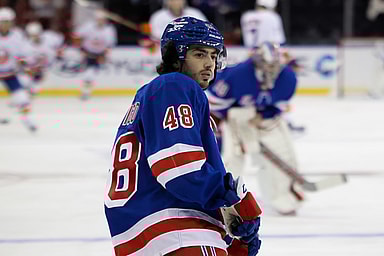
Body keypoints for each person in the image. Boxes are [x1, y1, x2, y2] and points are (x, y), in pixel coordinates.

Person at [104, 17, 262, 256]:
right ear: (174, 56)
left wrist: (228, 229)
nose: (209, 63)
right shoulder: (175, 86)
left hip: (147, 236)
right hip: (177, 230)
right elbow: (180, 170)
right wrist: (233, 198)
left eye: (213, 55)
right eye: (199, 54)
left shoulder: (156, 95)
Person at [206, 42, 305, 215]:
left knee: (283, 154)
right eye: (267, 65)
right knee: (232, 159)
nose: (271, 69)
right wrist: (220, 127)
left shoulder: (288, 78)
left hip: (266, 119)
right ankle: (222, 201)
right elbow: (216, 105)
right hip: (237, 118)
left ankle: (283, 197)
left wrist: (264, 115)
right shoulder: (237, 75)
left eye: (275, 65)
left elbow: (279, 106)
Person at [0, 7, 37, 132]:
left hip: (10, 73)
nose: (5, 25)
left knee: (23, 99)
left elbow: (22, 54)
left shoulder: (17, 35)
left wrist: (25, 64)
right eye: (2, 22)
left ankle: (28, 120)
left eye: (7, 22)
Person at [73, 9, 117, 100]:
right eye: (99, 19)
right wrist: (80, 49)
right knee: (86, 73)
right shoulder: (88, 26)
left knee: (90, 73)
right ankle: (85, 91)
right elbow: (76, 36)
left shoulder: (109, 30)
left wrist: (103, 55)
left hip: (99, 55)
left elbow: (110, 45)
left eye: (102, 19)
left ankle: (86, 92)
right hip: (87, 52)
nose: (100, 21)